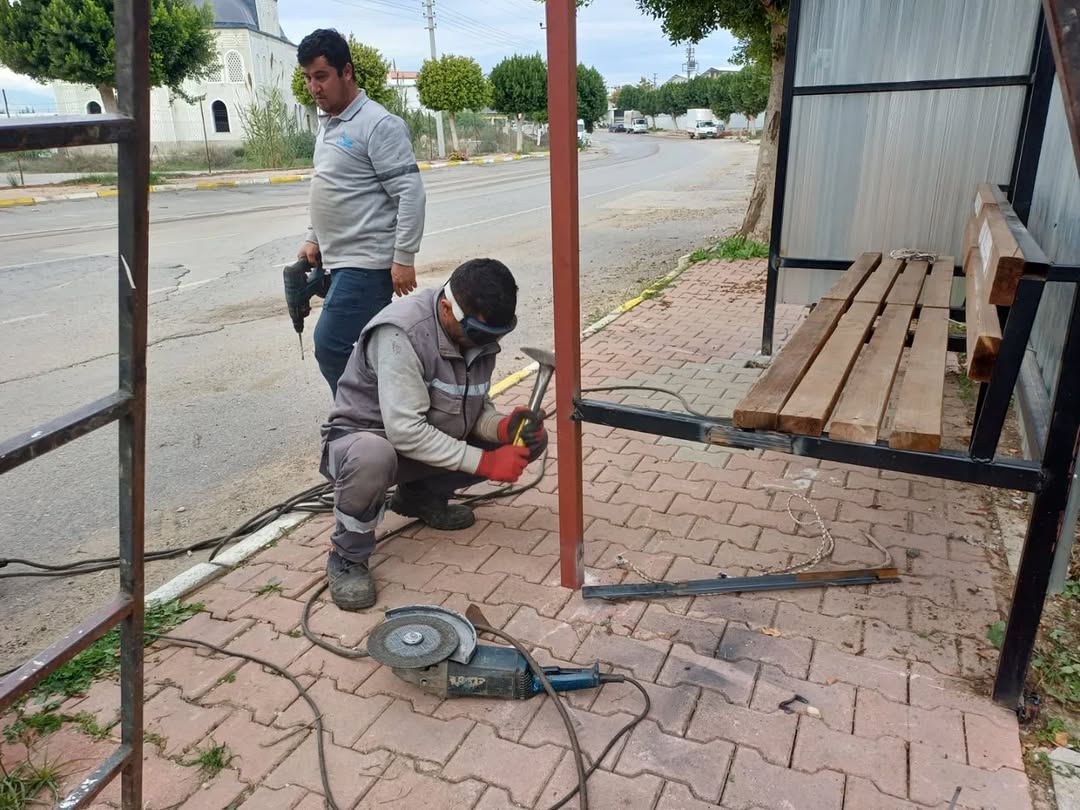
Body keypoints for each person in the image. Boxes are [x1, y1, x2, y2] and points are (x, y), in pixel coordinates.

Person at [319, 258, 547, 610]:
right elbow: (406, 431)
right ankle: (347, 555)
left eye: (497, 336)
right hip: (365, 442)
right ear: (446, 308)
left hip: (421, 441)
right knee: (372, 455)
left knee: (530, 439)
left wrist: (500, 426)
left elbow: (469, 404)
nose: (486, 344)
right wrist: (486, 462)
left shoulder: (474, 333)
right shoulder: (401, 334)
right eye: (480, 335)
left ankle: (419, 498)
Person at [296, 28, 426, 395]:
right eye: (307, 78)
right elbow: (330, 185)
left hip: (367, 263)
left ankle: (363, 420)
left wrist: (403, 258)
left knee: (331, 344)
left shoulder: (378, 124)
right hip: (339, 261)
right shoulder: (328, 125)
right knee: (362, 349)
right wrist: (312, 236)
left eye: (321, 76)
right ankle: (382, 418)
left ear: (347, 72)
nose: (314, 87)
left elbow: (410, 193)